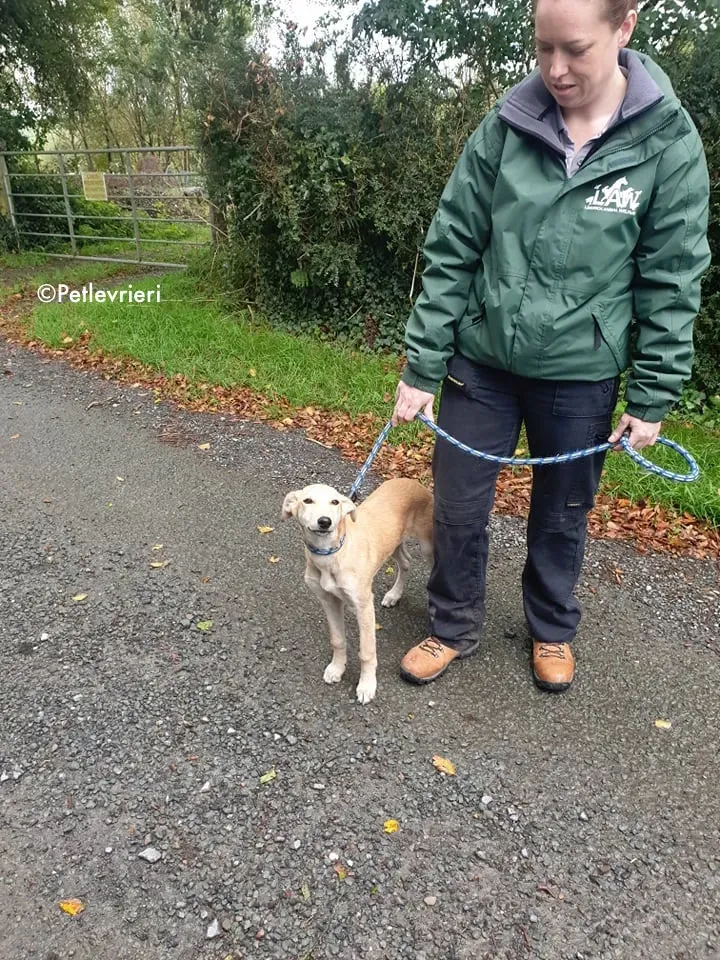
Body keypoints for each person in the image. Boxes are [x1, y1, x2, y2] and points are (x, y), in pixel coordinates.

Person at [392, 0, 711, 693]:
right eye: (543, 49)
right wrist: (422, 364)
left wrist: (652, 395)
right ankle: (453, 625)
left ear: (624, 27)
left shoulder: (667, 141)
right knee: (457, 505)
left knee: (563, 513)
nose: (555, 69)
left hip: (581, 372)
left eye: (575, 49)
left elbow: (672, 276)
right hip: (481, 361)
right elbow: (454, 244)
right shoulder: (508, 123)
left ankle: (552, 628)